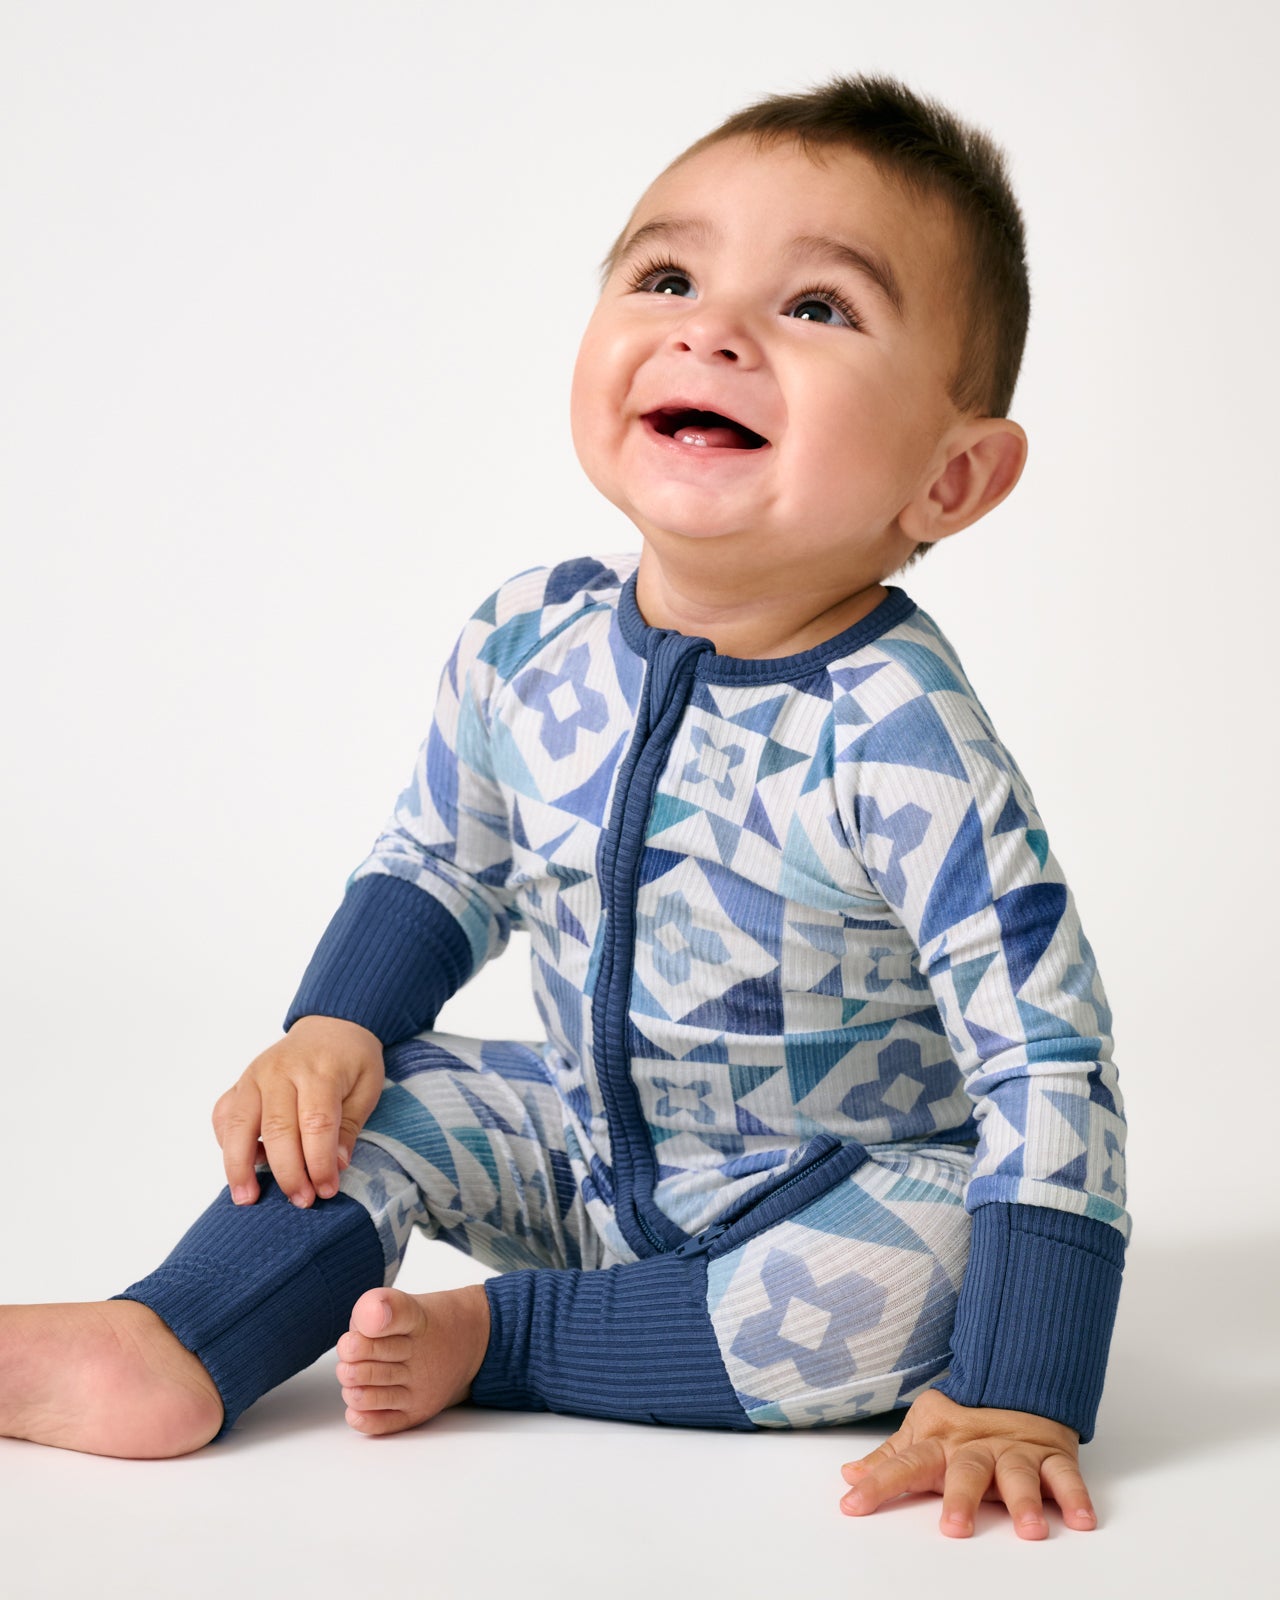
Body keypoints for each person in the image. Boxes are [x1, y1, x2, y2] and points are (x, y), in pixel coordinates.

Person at [0, 74, 1128, 1541]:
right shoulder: (525, 642)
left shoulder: (903, 733)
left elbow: (1046, 1052)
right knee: (388, 1093)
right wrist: (332, 1025)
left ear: (953, 476)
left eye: (817, 307)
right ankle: (176, 1335)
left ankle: (510, 1341)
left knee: (930, 1261)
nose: (711, 331)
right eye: (668, 278)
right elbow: (438, 864)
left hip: (828, 1197)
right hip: (584, 1150)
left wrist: (1023, 1388)